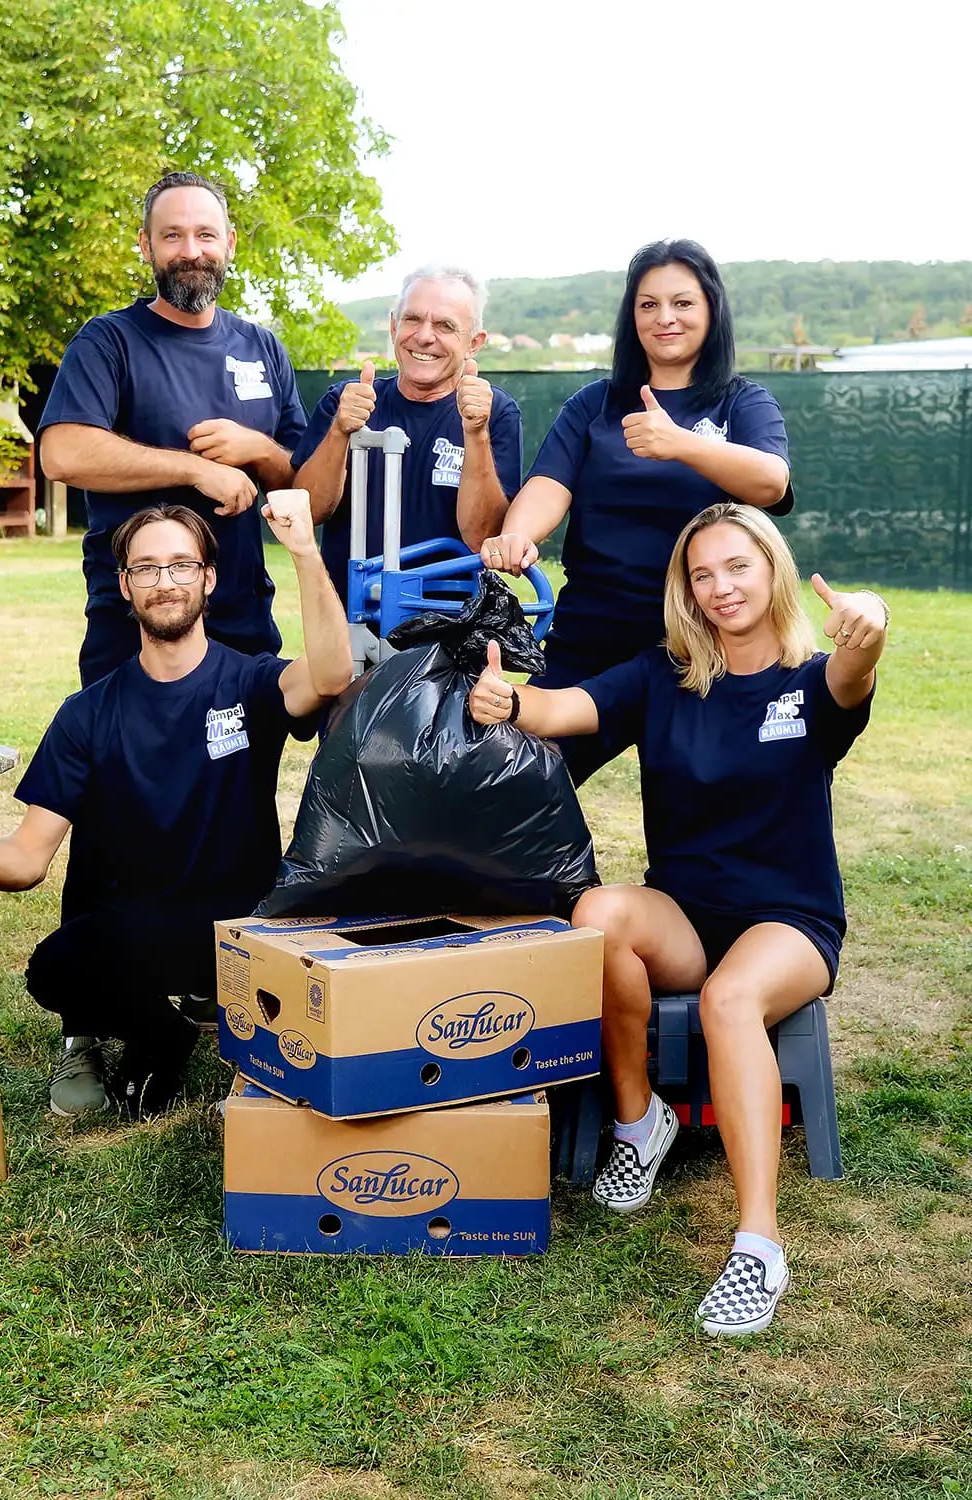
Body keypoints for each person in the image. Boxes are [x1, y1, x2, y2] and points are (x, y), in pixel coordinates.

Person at [469, 501, 888, 1336]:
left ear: (770, 570)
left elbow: (857, 669)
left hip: (790, 921)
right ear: (686, 591)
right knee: (597, 914)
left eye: (738, 566)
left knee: (733, 1001)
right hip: (689, 917)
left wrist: (868, 626)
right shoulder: (667, 674)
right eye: (703, 574)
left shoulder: (813, 681)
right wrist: (508, 702)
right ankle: (640, 1118)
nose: (722, 586)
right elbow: (568, 709)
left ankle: (758, 1244)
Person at [0, 495, 353, 1120]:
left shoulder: (253, 681)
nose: (165, 581)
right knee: (57, 968)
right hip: (142, 927)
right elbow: (26, 859)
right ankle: (163, 1033)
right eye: (146, 568)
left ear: (208, 578)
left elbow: (333, 674)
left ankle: (212, 1003)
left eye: (181, 565)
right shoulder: (87, 714)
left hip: (245, 927)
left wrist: (306, 553)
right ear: (125, 586)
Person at [481, 238, 794, 784]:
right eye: (648, 304)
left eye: (682, 303)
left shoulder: (743, 402)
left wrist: (681, 443)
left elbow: (771, 482)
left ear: (711, 310)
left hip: (702, 638)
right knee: (519, 782)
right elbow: (548, 485)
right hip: (591, 633)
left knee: (697, 811)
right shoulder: (593, 405)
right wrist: (517, 535)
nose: (665, 318)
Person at [39, 170, 307, 688]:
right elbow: (63, 452)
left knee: (241, 770)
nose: (191, 250)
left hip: (240, 620)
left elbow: (301, 482)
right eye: (172, 235)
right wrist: (195, 470)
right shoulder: (108, 340)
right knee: (131, 769)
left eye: (205, 234)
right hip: (135, 624)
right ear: (146, 245)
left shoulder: (262, 347)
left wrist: (258, 449)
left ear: (228, 243)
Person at [291, 265, 523, 616]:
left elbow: (483, 538)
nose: (424, 336)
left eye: (445, 326)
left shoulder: (495, 413)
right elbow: (308, 512)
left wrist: (475, 433)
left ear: (474, 343)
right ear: (393, 325)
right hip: (346, 626)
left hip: (446, 633)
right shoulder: (348, 401)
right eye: (413, 319)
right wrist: (340, 432)